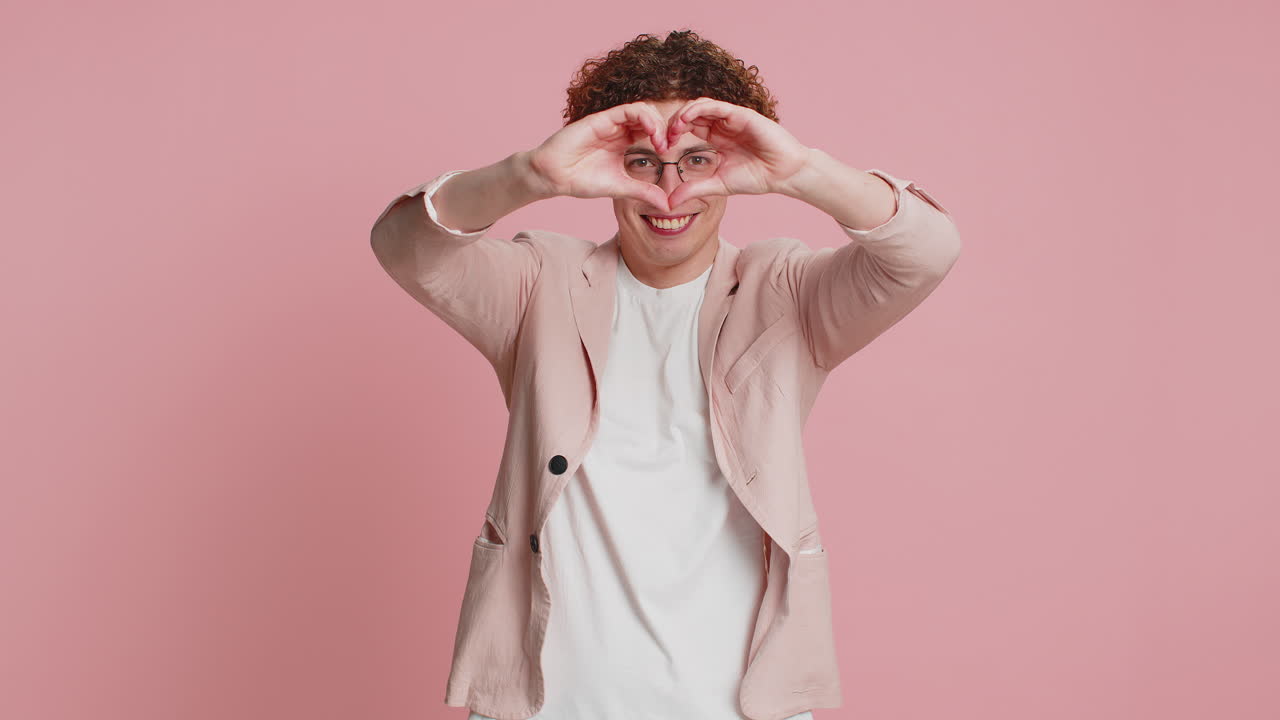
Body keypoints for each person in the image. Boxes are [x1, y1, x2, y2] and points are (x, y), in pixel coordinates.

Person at [369, 29, 961, 720]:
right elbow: (405, 245)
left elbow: (926, 252)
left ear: (735, 163)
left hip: (738, 705)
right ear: (606, 167)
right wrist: (531, 175)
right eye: (643, 162)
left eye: (698, 159)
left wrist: (799, 170)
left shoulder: (786, 292)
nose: (670, 190)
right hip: (550, 702)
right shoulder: (540, 284)